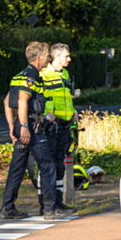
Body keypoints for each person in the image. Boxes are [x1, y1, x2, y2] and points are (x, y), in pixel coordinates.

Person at [0, 42, 72, 221]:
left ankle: (8, 207)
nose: (48, 59)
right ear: (38, 57)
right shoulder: (33, 76)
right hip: (32, 127)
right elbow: (22, 100)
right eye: (47, 56)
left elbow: (7, 102)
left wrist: (12, 126)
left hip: (21, 125)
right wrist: (25, 126)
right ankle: (49, 209)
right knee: (47, 165)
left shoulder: (19, 75)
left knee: (17, 167)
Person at [41, 43, 77, 214]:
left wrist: (73, 112)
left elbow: (66, 98)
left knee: (60, 164)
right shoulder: (43, 74)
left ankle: (58, 201)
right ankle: (45, 203)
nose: (69, 59)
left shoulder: (65, 74)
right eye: (66, 56)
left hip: (64, 124)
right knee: (48, 165)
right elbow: (39, 99)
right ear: (56, 57)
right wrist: (46, 115)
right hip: (50, 126)